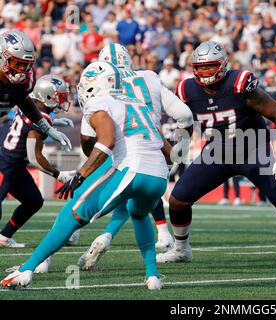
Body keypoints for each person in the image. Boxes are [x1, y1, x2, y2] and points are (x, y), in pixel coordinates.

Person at [157, 41, 276, 267]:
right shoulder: (187, 90)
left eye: (210, 66)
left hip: (252, 148)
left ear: (223, 65)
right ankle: (181, 249)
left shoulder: (239, 84)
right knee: (178, 199)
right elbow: (186, 121)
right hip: (216, 151)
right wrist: (181, 148)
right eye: (200, 67)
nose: (205, 72)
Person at [1, 61, 179, 290]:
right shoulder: (139, 104)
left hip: (130, 169)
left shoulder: (100, 102)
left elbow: (106, 142)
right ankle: (152, 276)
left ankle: (27, 269)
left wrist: (80, 175)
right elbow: (169, 155)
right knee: (139, 213)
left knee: (73, 214)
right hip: (158, 176)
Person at [75, 43, 193, 271]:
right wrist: (181, 150)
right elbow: (184, 115)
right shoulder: (147, 78)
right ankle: (153, 239)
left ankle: (40, 260)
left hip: (114, 148)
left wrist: (98, 158)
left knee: (86, 202)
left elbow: (87, 140)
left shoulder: (100, 83)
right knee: (140, 195)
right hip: (150, 144)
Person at [0, 75, 75, 248]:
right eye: (59, 97)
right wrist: (59, 175)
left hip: (14, 166)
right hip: (5, 167)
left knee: (34, 201)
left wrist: (53, 122)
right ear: (47, 96)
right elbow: (34, 156)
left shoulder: (29, 107)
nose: (61, 101)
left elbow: (31, 120)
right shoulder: (39, 116)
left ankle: (4, 237)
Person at [0, 30, 71, 151]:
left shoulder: (27, 79)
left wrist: (46, 127)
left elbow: (23, 100)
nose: (21, 70)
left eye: (25, 64)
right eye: (17, 63)